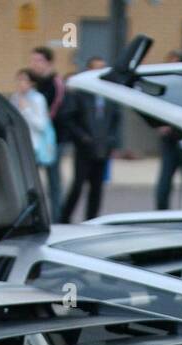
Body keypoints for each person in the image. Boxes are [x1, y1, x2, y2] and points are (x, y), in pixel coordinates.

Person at [59, 57, 119, 223]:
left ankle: (91, 219)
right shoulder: (80, 94)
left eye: (102, 69)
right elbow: (69, 118)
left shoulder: (109, 94)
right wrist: (82, 137)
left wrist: (112, 140)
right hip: (85, 147)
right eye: (95, 68)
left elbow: (115, 119)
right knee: (78, 185)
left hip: (103, 146)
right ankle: (64, 218)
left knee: (97, 187)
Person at [28, 46, 66, 216]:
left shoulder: (56, 83)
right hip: (35, 139)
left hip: (53, 139)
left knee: (54, 182)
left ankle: (57, 217)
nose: (35, 64)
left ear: (48, 62)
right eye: (33, 60)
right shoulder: (32, 83)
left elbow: (53, 111)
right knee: (31, 180)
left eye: (39, 60)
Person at [154, 51, 182, 210]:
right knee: (164, 183)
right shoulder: (163, 87)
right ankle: (161, 212)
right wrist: (158, 126)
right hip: (170, 141)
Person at [12, 69, 57, 180]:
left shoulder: (38, 99)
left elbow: (41, 125)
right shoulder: (15, 98)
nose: (21, 83)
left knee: (33, 179)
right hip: (19, 144)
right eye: (19, 79)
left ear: (32, 83)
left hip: (34, 146)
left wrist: (27, 109)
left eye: (24, 80)